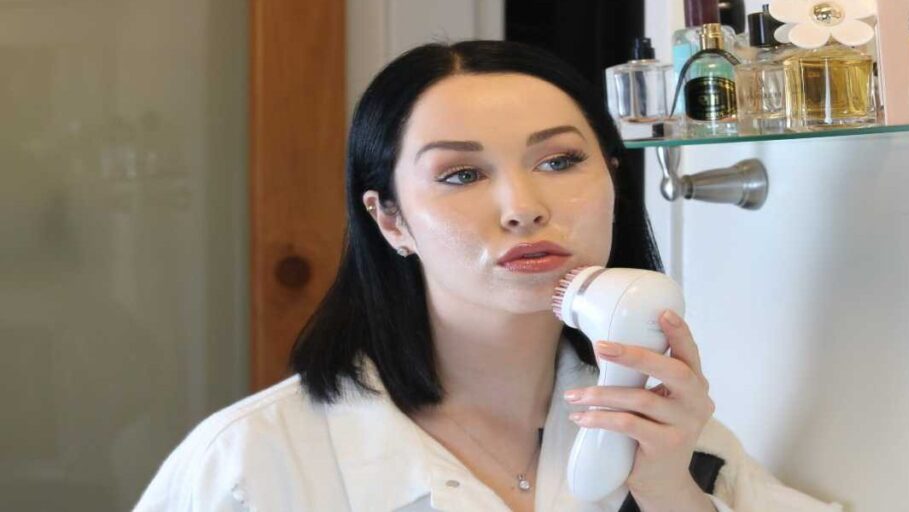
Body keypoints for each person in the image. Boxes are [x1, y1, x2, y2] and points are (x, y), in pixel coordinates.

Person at [135, 40, 842, 512]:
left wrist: (666, 488)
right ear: (390, 220)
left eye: (560, 161)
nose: (524, 209)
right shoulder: (248, 463)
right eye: (462, 174)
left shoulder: (677, 438)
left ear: (614, 181)